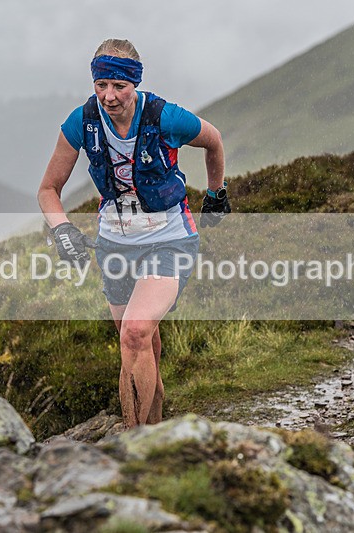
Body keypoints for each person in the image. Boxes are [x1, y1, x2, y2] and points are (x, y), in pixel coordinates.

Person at [37, 38, 230, 428]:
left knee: (135, 333)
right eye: (101, 85)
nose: (109, 96)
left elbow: (213, 140)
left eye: (119, 86)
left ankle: (136, 438)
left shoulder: (165, 117)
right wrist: (62, 230)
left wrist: (216, 192)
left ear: (135, 84)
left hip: (169, 236)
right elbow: (48, 190)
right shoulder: (82, 122)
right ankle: (153, 429)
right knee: (140, 345)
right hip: (113, 243)